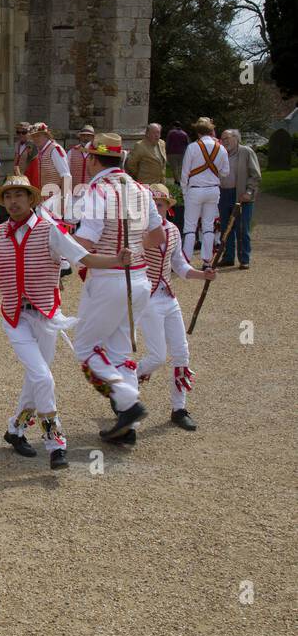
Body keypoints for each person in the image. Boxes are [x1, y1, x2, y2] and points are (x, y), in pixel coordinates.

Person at [0, 175, 132, 469]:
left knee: (35, 378)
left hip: (47, 315)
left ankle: (15, 429)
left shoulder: (50, 230)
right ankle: (55, 442)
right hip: (15, 316)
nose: (13, 201)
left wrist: (116, 261)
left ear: (31, 200)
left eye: (19, 195)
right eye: (8, 196)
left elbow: (85, 258)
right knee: (43, 377)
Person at [71, 131, 157, 443]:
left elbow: (85, 242)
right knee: (120, 350)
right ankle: (127, 425)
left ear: (94, 159)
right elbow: (157, 236)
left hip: (109, 280)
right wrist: (131, 248)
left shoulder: (97, 192)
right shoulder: (142, 190)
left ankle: (128, 402)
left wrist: (61, 245)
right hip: (139, 279)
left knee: (85, 347)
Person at [136, 184, 215, 432]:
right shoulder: (138, 232)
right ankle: (125, 389)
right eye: (153, 205)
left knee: (182, 353)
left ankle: (179, 408)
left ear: (168, 208)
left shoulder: (172, 231)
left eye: (161, 205)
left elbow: (179, 266)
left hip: (169, 297)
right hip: (147, 299)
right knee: (157, 357)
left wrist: (203, 274)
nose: (157, 210)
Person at [179, 116, 229, 266]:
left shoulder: (193, 147)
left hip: (195, 190)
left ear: (198, 132)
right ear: (211, 131)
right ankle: (207, 261)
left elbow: (184, 173)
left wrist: (184, 191)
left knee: (190, 226)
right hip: (213, 190)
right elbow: (225, 172)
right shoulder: (221, 148)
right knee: (209, 226)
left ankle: (186, 261)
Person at [217, 129, 262, 269]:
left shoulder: (246, 152)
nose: (224, 141)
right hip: (224, 194)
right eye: (222, 139)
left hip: (241, 195)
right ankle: (228, 257)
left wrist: (249, 191)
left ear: (236, 138)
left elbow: (255, 175)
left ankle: (244, 259)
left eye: (227, 138)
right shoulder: (221, 153)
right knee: (225, 228)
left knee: (242, 228)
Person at [23, 122, 72, 220]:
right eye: (34, 136)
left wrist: (63, 202)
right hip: (45, 199)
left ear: (46, 135)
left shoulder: (55, 149)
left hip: (55, 199)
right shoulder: (42, 151)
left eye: (38, 135)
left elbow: (66, 176)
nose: (36, 139)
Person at [66, 126, 96, 210]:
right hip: (75, 193)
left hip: (91, 193)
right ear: (80, 136)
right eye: (83, 135)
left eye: (88, 136)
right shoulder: (72, 152)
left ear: (93, 137)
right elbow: (66, 172)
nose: (86, 138)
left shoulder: (97, 153)